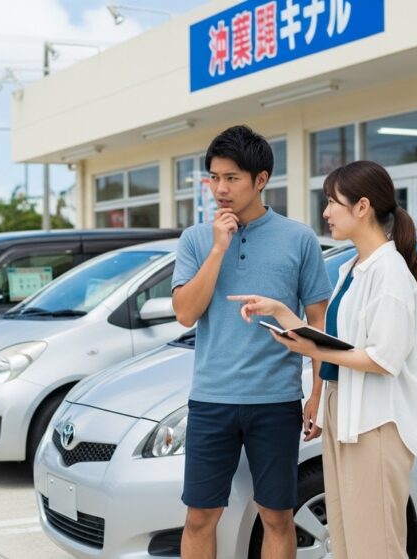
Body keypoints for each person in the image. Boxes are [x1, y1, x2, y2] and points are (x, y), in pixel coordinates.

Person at [230, 160, 417, 558]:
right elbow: (337, 339)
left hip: (376, 423)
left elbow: (383, 359)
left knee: (375, 546)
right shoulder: (355, 269)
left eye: (331, 202)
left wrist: (314, 351)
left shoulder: (389, 274)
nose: (325, 213)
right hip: (347, 415)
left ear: (362, 207)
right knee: (345, 540)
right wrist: (281, 312)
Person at [171, 125, 332, 559]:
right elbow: (186, 311)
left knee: (277, 516)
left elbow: (317, 321)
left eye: (232, 178)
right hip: (210, 399)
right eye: (213, 177)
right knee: (200, 516)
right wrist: (218, 249)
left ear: (261, 180)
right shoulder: (195, 240)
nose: (219, 189)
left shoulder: (299, 239)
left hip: (276, 400)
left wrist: (317, 392)